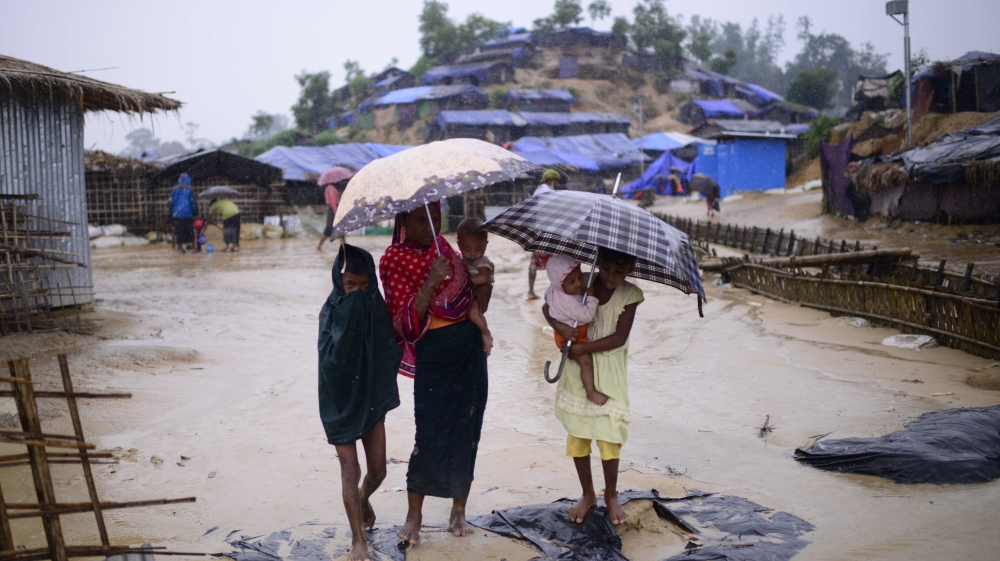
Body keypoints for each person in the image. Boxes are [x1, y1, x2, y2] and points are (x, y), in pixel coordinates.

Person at [378, 202, 489, 545]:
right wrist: (430, 282)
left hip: (469, 350)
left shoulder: (444, 247)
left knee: (467, 429)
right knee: (428, 433)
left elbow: (476, 303)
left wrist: (486, 277)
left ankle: (459, 509)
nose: (429, 227)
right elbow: (404, 325)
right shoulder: (393, 259)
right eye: (419, 221)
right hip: (433, 353)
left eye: (433, 220)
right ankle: (414, 516)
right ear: (403, 223)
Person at [542, 247, 644, 527]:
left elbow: (620, 337)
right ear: (599, 262)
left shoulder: (630, 294)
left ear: (630, 269)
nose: (611, 276)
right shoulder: (579, 281)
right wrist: (559, 328)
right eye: (607, 268)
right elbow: (547, 305)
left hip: (609, 369)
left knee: (610, 435)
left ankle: (611, 495)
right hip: (577, 371)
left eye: (620, 271)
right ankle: (588, 495)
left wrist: (581, 349)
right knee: (579, 433)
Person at [318, 243, 401, 561]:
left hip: (368, 395)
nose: (356, 292)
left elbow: (390, 350)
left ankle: (364, 497)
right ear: (340, 283)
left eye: (364, 286)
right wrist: (348, 326)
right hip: (338, 399)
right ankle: (357, 541)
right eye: (350, 285)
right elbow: (328, 362)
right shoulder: (331, 310)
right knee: (350, 468)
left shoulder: (375, 308)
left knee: (378, 470)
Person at [544, 255, 602, 405]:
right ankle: (591, 392)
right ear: (560, 284)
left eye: (580, 277)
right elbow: (587, 315)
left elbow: (546, 300)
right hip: (574, 335)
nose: (579, 284)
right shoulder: (570, 302)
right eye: (572, 281)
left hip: (559, 333)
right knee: (586, 362)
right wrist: (590, 298)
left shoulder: (553, 289)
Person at [456, 218, 494, 355]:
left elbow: (483, 278)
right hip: (467, 293)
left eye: (478, 249)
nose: (473, 253)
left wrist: (465, 281)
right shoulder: (460, 260)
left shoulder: (482, 262)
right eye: (467, 249)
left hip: (476, 294)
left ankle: (485, 333)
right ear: (459, 246)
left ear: (486, 245)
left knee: (473, 313)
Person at [527, 169, 561, 301]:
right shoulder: (549, 192)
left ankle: (530, 291)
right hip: (548, 232)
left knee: (534, 263)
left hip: (537, 231)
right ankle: (556, 294)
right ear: (552, 181)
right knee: (554, 263)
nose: (557, 185)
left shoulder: (538, 191)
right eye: (556, 182)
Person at [317, 170, 350, 251]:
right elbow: (333, 202)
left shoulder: (331, 188)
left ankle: (344, 246)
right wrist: (336, 213)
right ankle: (319, 246)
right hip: (333, 209)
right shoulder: (331, 188)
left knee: (338, 227)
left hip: (333, 209)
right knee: (330, 227)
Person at [170, 173, 197, 254]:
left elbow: (172, 202)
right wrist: (195, 213)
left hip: (177, 214)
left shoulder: (175, 189)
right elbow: (192, 202)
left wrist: (171, 213)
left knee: (179, 230)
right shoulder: (189, 188)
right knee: (190, 230)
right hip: (188, 213)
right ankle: (193, 247)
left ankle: (179, 247)